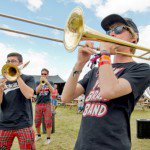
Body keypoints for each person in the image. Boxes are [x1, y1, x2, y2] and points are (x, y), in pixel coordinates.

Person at [61, 14, 150, 150]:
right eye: (109, 31)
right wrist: (79, 64)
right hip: (82, 145)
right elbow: (66, 97)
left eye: (119, 29)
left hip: (112, 145)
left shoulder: (141, 69)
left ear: (134, 38)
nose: (112, 34)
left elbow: (109, 91)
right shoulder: (95, 71)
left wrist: (104, 53)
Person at [0, 52, 36, 150]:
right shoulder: (2, 80)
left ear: (20, 64)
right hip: (4, 124)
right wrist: (0, 90)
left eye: (13, 61)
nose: (10, 63)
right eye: (8, 61)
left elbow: (29, 95)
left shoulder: (28, 78)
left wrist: (18, 76)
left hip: (23, 123)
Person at [34, 68, 53, 145]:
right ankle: (38, 135)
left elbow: (53, 91)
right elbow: (36, 91)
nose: (43, 75)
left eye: (45, 74)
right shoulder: (38, 82)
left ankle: (48, 138)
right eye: (42, 74)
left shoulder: (50, 82)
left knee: (48, 122)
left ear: (47, 75)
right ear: (40, 74)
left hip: (47, 104)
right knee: (37, 121)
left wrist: (47, 83)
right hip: (38, 104)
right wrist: (41, 83)